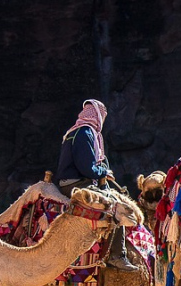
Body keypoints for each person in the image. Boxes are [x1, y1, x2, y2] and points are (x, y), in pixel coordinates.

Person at [56, 99, 137, 272]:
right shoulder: (85, 133)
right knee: (115, 207)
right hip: (77, 184)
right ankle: (117, 255)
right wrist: (103, 172)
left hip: (71, 182)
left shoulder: (74, 132)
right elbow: (87, 168)